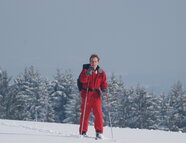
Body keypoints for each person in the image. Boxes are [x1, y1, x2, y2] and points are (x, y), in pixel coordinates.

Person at [79, 54, 108, 139]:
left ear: (98, 62)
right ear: (90, 62)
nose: (93, 63)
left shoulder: (101, 72)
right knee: (85, 114)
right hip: (87, 94)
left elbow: (103, 82)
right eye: (92, 61)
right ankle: (83, 132)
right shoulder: (85, 70)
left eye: (95, 61)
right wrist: (87, 74)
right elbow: (82, 80)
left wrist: (105, 88)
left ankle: (99, 132)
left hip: (96, 95)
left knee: (98, 114)